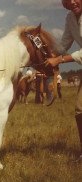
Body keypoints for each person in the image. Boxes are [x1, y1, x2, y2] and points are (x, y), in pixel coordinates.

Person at [45, 0, 82, 162]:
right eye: (68, 0)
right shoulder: (70, 18)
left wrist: (59, 60)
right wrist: (50, 55)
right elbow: (65, 42)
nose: (72, 2)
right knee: (80, 110)